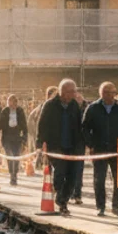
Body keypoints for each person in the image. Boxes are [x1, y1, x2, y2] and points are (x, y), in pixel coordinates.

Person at [37, 79, 84, 217]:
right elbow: (42, 125)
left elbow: (79, 125)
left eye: (74, 91)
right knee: (60, 172)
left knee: (72, 176)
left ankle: (62, 200)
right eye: (71, 92)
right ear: (62, 92)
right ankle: (60, 197)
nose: (73, 94)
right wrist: (40, 144)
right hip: (55, 146)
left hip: (72, 146)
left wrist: (82, 144)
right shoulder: (50, 105)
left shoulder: (74, 105)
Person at [81, 82, 118, 217]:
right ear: (100, 93)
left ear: (115, 93)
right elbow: (84, 128)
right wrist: (90, 144)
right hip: (99, 149)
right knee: (99, 179)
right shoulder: (93, 108)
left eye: (112, 92)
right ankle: (100, 206)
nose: (109, 95)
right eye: (106, 92)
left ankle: (116, 205)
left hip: (116, 150)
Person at [0, 95, 28, 185]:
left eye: (13, 103)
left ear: (16, 103)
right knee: (10, 156)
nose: (11, 105)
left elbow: (24, 127)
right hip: (6, 139)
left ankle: (14, 175)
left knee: (16, 157)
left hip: (17, 139)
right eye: (10, 103)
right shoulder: (5, 111)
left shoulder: (20, 111)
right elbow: (0, 125)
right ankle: (12, 174)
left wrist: (24, 139)